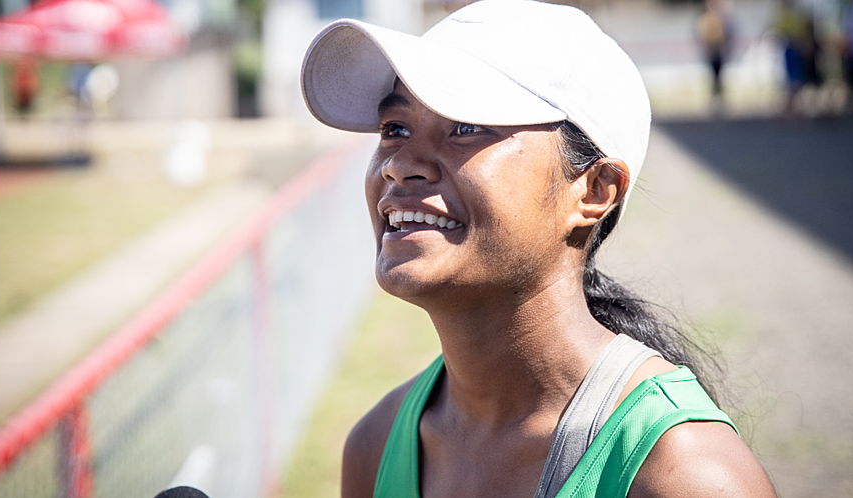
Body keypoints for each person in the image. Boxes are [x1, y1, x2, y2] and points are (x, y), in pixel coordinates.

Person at [301, 1, 777, 496]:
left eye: (466, 126)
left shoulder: (687, 475)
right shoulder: (376, 445)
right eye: (394, 129)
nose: (399, 165)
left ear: (594, 190)